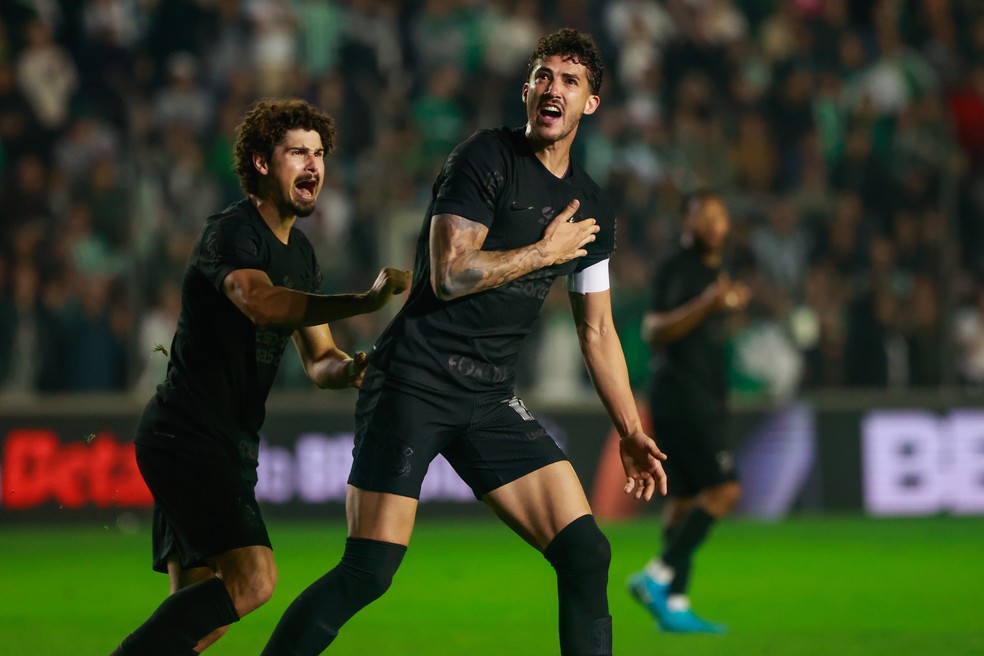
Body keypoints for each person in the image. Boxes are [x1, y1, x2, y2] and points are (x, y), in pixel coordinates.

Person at [259, 29, 667, 656]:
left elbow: (599, 330)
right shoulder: (484, 159)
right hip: (414, 380)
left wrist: (630, 428)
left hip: (488, 396)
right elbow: (450, 274)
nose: (552, 89)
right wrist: (543, 252)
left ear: (592, 103)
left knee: (586, 553)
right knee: (368, 572)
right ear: (527, 89)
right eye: (544, 76)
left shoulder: (593, 209)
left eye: (570, 80)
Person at [110, 98, 410, 655]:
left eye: (319, 154)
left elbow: (319, 361)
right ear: (262, 163)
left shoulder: (301, 253)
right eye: (298, 152)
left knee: (203, 620)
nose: (313, 165)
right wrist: (364, 300)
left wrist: (353, 370)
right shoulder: (232, 231)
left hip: (224, 441)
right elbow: (259, 303)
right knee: (255, 579)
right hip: (189, 435)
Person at [627, 189, 750, 634]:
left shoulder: (712, 271)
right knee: (724, 489)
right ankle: (657, 577)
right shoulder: (677, 269)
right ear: (688, 223)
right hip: (684, 396)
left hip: (697, 395)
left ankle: (675, 604)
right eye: (705, 217)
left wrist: (727, 305)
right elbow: (653, 329)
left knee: (681, 499)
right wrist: (709, 304)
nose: (715, 224)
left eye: (720, 216)